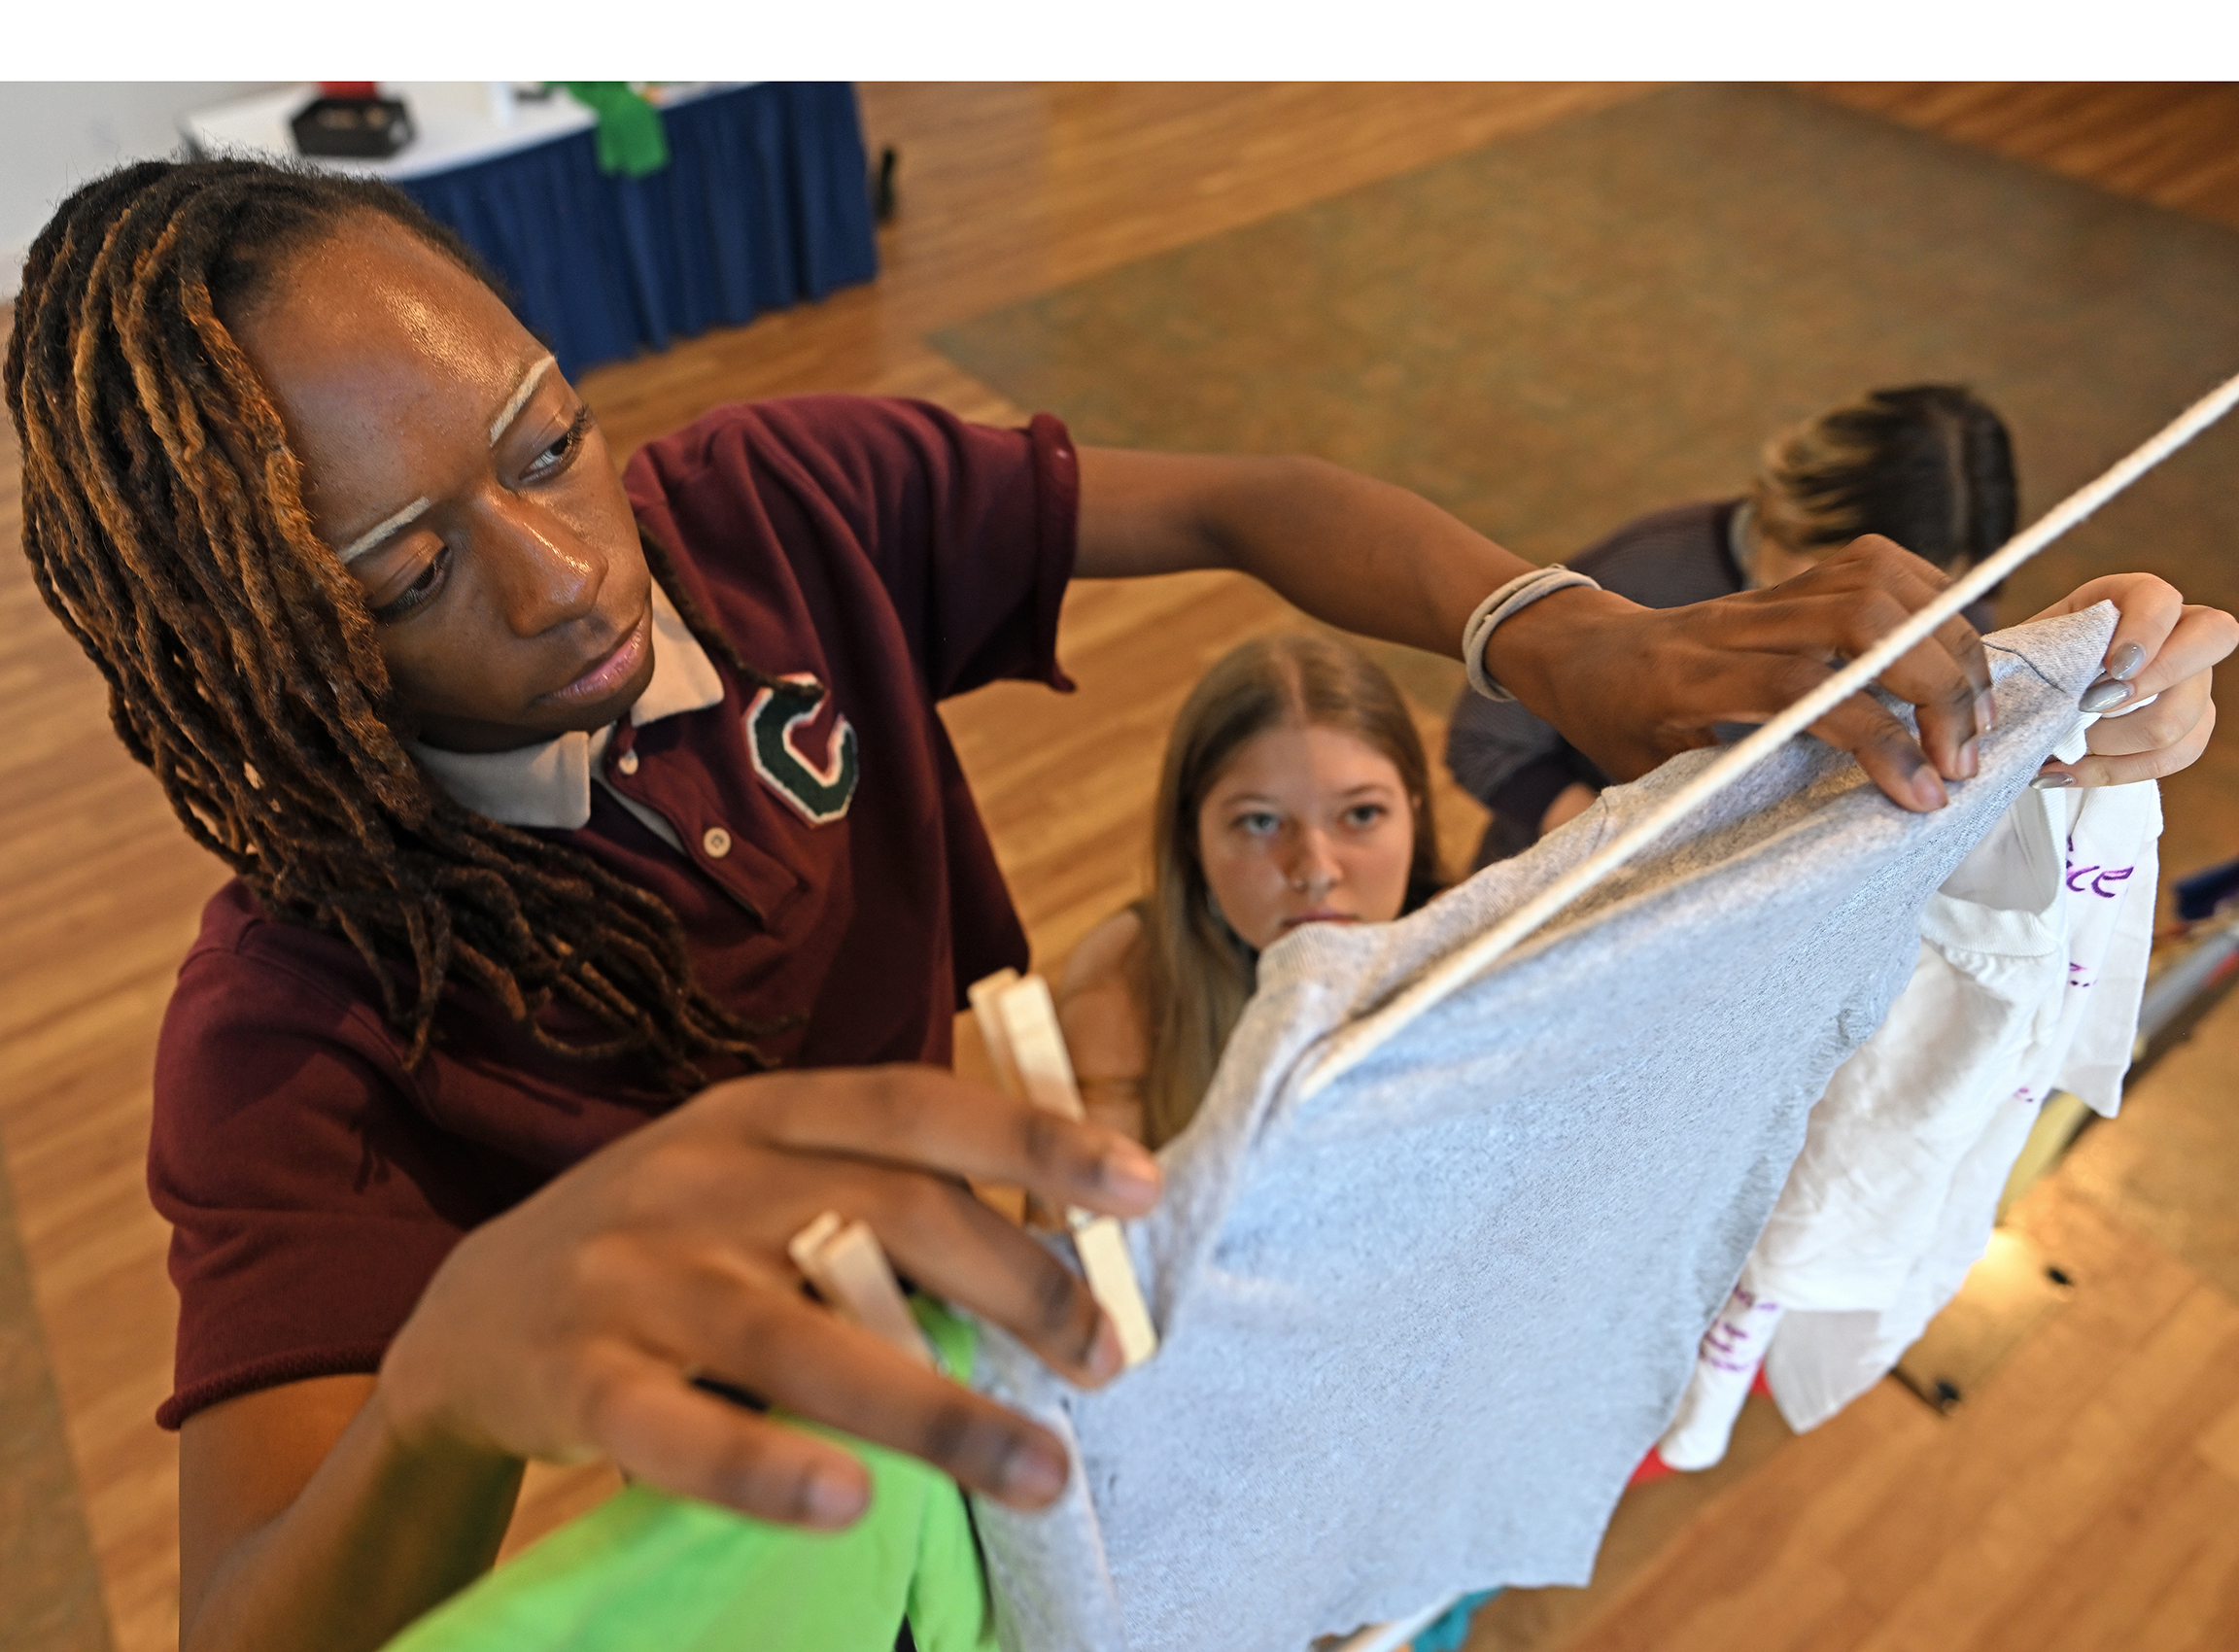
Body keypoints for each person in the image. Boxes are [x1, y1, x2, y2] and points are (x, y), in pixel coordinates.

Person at [7, 159, 2229, 1652]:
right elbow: (255, 1606)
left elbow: (1258, 496)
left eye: (550, 434)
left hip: (1090, 1349)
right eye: (406, 569)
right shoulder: (286, 1031)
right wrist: (445, 1391)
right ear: (251, 643)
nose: (567, 569)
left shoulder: (774, 506)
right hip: (854, 1536)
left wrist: (1565, 640)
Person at [1450, 384, 2032, 865]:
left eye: (1925, 596)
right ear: (1792, 511)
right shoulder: (1645, 570)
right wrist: (1637, 856)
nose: (1872, 618)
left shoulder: (1959, 615)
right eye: (1847, 576)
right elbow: (1486, 741)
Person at [1057, 635, 1441, 1148]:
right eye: (1261, 821)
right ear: (1192, 836)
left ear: (1412, 814)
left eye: (1362, 814)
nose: (1316, 871)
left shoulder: (1482, 952)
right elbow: (1091, 1226)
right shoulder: (1129, 984)